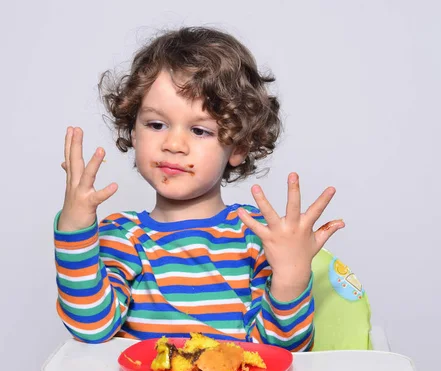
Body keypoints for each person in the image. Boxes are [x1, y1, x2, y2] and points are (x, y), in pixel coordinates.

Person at [53, 27, 344, 351]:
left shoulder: (256, 235)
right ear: (133, 132)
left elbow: (284, 353)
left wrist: (291, 279)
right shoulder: (122, 236)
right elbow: (91, 328)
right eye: (156, 124)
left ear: (238, 146)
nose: (174, 144)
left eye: (200, 130)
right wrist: (73, 229)